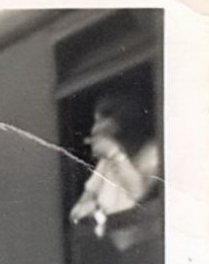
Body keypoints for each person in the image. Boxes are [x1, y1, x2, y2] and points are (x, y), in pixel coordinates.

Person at [68, 92, 163, 237]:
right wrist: (87, 205)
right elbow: (88, 195)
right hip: (110, 239)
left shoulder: (152, 151)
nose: (95, 129)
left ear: (124, 120)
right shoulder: (106, 161)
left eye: (101, 120)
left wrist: (114, 153)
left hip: (139, 239)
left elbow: (138, 193)